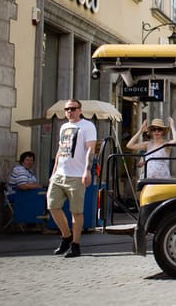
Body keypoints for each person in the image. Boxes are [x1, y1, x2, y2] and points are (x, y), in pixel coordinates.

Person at [47, 99, 97, 259]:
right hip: (60, 173)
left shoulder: (87, 126)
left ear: (80, 110)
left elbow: (91, 149)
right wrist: (53, 172)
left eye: (73, 109)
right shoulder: (64, 127)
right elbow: (60, 150)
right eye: (67, 109)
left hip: (76, 175)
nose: (69, 112)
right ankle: (66, 236)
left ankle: (75, 244)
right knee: (52, 205)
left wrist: (87, 171)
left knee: (76, 211)